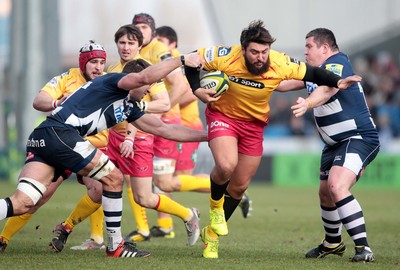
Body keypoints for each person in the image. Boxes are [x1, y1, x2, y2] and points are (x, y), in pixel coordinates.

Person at [183, 20, 361, 259]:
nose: (260, 57)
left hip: (254, 126)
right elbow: (192, 59)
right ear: (243, 49)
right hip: (223, 116)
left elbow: (314, 73)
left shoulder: (279, 62)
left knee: (239, 186)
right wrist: (196, 89)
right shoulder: (225, 56)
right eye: (255, 52)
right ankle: (215, 210)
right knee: (226, 165)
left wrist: (337, 81)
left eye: (264, 52)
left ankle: (211, 235)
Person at [0, 53, 206, 258]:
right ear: (136, 80)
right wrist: (181, 60)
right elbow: (144, 78)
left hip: (45, 136)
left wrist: (209, 136)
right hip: (61, 134)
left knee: (23, 203)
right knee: (113, 177)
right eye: (149, 85)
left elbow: (165, 130)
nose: (149, 89)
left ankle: (111, 244)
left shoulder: (128, 107)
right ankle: (115, 246)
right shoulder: (114, 81)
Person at [277, 28, 379, 263]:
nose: (305, 51)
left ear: (325, 48)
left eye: (309, 46)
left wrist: (308, 103)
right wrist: (253, 80)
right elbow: (283, 84)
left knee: (336, 185)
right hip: (334, 144)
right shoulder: (314, 72)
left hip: (358, 137)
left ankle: (364, 248)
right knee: (325, 194)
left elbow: (330, 88)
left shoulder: (337, 61)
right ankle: (332, 243)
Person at [0, 40, 108, 253]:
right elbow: (39, 100)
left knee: (101, 187)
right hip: (62, 145)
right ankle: (3, 238)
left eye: (102, 62)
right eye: (93, 62)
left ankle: (67, 229)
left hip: (91, 148)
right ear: (83, 62)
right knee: (35, 199)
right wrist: (57, 103)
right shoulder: (67, 79)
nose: (98, 67)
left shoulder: (107, 82)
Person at [155, 25, 253, 218]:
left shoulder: (172, 58)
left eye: (162, 41)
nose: (158, 45)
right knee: (167, 179)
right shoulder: (161, 57)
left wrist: (162, 105)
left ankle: (233, 193)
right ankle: (164, 226)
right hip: (175, 124)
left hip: (185, 124)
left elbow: (191, 92)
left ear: (173, 44)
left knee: (169, 180)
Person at [130, 13, 193, 240]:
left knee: (165, 182)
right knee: (130, 175)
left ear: (153, 32)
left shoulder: (159, 50)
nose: (141, 31)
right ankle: (148, 228)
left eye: (145, 27)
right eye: (137, 27)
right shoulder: (135, 52)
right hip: (143, 121)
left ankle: (222, 187)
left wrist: (163, 109)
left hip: (164, 121)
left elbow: (181, 85)